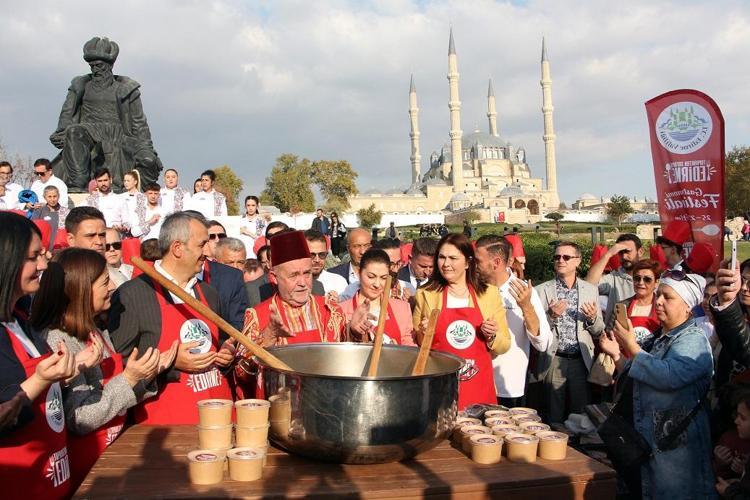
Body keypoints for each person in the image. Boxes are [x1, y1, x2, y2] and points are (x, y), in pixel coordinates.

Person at [31, 248, 177, 489]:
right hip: (89, 471)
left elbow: (116, 391)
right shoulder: (59, 340)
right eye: (105, 282)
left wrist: (148, 373)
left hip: (112, 456)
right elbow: (80, 417)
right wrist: (129, 378)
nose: (112, 288)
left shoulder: (93, 329)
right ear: (82, 289)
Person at [108, 211, 234, 424]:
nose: (208, 251)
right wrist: (171, 365)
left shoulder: (209, 293)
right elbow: (119, 368)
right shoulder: (133, 295)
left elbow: (220, 344)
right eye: (201, 244)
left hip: (219, 420)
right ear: (177, 248)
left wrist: (226, 355)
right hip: (167, 428)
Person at [599, 270, 714, 499]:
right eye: (658, 294)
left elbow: (668, 376)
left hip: (676, 454)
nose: (658, 301)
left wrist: (632, 347)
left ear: (687, 307)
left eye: (667, 297)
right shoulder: (658, 336)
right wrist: (618, 355)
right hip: (651, 445)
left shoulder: (693, 339)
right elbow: (642, 376)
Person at [0, 212, 76, 498]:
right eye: (34, 257)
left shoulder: (21, 319)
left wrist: (66, 373)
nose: (43, 265)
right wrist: (40, 380)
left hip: (53, 479)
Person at [236, 230, 350, 397]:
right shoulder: (257, 316)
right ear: (273, 277)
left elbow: (349, 362)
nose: (303, 283)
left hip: (326, 404)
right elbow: (241, 374)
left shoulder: (331, 310)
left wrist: (356, 332)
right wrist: (265, 341)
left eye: (307, 273)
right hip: (279, 406)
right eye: (294, 275)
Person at [49, 36, 162, 193]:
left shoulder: (127, 89)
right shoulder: (80, 86)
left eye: (99, 65)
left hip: (119, 135)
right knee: (74, 131)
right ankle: (78, 183)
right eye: (92, 66)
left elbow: (139, 123)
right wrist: (62, 132)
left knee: (148, 161)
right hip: (88, 132)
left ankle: (136, 193)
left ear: (110, 65)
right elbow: (67, 113)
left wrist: (146, 149)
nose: (95, 69)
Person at [412, 233, 511, 409]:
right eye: (442, 257)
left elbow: (504, 345)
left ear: (467, 262)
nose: (446, 264)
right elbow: (417, 345)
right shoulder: (425, 294)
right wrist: (423, 333)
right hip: (440, 386)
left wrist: (492, 336)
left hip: (478, 386)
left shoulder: (489, 293)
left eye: (453, 258)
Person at [475, 235, 550, 408]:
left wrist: (526, 307)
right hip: (474, 380)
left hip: (507, 386)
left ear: (496, 262)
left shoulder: (523, 291)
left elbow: (543, 343)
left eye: (478, 261)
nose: (473, 265)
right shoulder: (470, 288)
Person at [535, 241, 604, 424]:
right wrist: (550, 316)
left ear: (578, 261)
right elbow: (535, 331)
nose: (561, 261)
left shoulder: (590, 290)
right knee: (553, 414)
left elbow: (599, 331)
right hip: (554, 358)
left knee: (580, 416)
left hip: (580, 360)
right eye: (557, 257)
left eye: (566, 257)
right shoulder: (541, 291)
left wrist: (592, 318)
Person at [341, 248, 415, 345]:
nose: (377, 284)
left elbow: (409, 346)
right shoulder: (340, 310)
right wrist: (351, 330)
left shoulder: (402, 308)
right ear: (359, 274)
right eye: (371, 277)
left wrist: (398, 350)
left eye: (383, 278)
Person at [585, 233, 643, 328]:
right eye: (620, 253)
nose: (624, 256)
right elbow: (588, 284)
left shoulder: (651, 277)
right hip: (616, 333)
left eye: (627, 251)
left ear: (640, 252)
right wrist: (608, 255)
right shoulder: (613, 278)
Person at [610, 259, 662, 349]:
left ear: (656, 283)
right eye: (637, 278)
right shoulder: (622, 306)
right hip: (624, 357)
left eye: (647, 279)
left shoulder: (662, 306)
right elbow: (609, 333)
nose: (641, 283)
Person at [716, 392, 750, 498]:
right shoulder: (729, 439)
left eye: (743, 418)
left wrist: (729, 492)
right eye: (736, 415)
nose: (736, 421)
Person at [80, 168, 130, 232]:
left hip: (116, 235)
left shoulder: (120, 199)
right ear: (96, 182)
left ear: (110, 180)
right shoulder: (89, 201)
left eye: (105, 180)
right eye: (100, 181)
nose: (103, 183)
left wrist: (122, 228)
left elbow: (127, 222)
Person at [305, 229, 347, 296]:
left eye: (322, 254)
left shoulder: (339, 282)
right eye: (311, 255)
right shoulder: (292, 283)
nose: (317, 260)